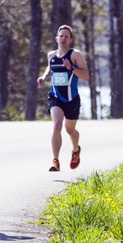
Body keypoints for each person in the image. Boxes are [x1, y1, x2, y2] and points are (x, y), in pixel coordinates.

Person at [37, 25, 89, 172]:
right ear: (56, 38)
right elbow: (50, 67)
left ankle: (75, 150)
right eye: (61, 36)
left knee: (70, 130)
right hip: (56, 97)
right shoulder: (51, 55)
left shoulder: (75, 55)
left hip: (72, 99)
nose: (63, 38)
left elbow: (86, 75)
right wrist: (44, 76)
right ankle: (55, 161)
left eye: (66, 36)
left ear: (70, 40)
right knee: (57, 125)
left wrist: (71, 67)